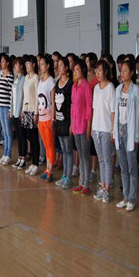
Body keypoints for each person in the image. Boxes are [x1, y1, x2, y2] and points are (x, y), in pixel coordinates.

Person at [113, 60, 139, 212]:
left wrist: (136, 137)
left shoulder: (135, 91)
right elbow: (115, 112)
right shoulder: (118, 90)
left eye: (125, 70)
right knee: (123, 167)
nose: (122, 73)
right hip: (120, 130)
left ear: (131, 73)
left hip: (130, 132)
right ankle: (125, 197)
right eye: (121, 70)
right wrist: (114, 132)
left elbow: (137, 116)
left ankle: (132, 198)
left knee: (131, 167)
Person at [92, 60, 116, 203]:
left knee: (107, 160)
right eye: (96, 71)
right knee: (101, 160)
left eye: (100, 71)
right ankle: (102, 186)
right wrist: (92, 128)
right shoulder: (96, 88)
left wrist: (112, 129)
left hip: (106, 129)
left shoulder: (110, 87)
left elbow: (113, 111)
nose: (98, 73)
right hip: (96, 129)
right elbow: (95, 109)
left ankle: (107, 189)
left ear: (105, 71)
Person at [71, 59, 93, 196]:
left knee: (85, 155)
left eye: (78, 70)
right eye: (74, 70)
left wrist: (89, 127)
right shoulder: (74, 86)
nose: (75, 72)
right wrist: (71, 124)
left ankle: (86, 183)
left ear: (83, 71)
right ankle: (81, 182)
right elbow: (73, 106)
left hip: (84, 125)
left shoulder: (86, 87)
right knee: (79, 153)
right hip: (75, 124)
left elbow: (89, 108)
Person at [54, 56, 73, 189]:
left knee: (68, 150)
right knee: (63, 149)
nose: (59, 67)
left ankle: (68, 177)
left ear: (66, 68)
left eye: (61, 65)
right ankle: (64, 175)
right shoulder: (57, 83)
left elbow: (71, 105)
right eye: (58, 65)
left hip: (67, 121)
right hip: (59, 121)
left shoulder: (70, 84)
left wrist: (71, 123)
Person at [37, 55, 56, 182]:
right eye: (40, 64)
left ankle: (50, 170)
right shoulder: (41, 80)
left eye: (43, 64)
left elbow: (53, 102)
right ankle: (47, 168)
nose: (41, 66)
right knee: (45, 144)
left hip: (48, 117)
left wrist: (53, 119)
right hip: (41, 118)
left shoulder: (51, 81)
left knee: (50, 145)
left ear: (48, 66)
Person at [22, 55, 41, 176]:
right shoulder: (26, 77)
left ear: (34, 65)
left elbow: (37, 96)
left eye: (28, 64)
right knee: (29, 136)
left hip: (33, 111)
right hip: (26, 109)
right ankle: (32, 164)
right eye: (26, 64)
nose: (27, 66)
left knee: (34, 138)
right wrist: (22, 110)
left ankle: (36, 163)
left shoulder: (36, 77)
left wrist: (36, 113)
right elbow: (25, 95)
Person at [0, 54, 14, 165]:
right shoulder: (1, 74)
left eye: (3, 61)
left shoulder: (10, 76)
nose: (1, 63)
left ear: (7, 63)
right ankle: (4, 153)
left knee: (8, 131)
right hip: (1, 105)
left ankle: (8, 154)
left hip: (7, 106)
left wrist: (10, 109)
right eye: (1, 61)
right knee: (4, 130)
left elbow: (11, 94)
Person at [10, 57, 26, 169]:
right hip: (14, 111)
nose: (15, 67)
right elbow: (12, 96)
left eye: (17, 65)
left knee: (22, 136)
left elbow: (24, 96)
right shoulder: (15, 79)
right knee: (18, 137)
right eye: (14, 65)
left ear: (21, 66)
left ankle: (23, 158)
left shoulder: (23, 79)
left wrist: (22, 110)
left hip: (20, 111)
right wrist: (11, 110)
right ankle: (19, 157)